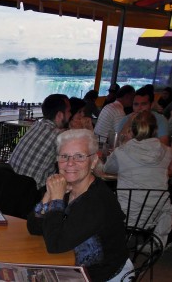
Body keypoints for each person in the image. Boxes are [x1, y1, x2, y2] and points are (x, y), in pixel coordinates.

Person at [27, 129, 133, 281]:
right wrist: (47, 197)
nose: (70, 163)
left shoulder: (97, 200)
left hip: (102, 275)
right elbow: (34, 228)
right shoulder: (66, 188)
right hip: (74, 264)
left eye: (79, 156)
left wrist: (56, 200)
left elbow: (55, 245)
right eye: (64, 156)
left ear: (93, 161)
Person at [105, 110, 172, 246]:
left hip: (124, 215)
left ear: (132, 130)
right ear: (156, 130)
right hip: (153, 216)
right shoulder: (168, 152)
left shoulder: (121, 152)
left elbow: (107, 169)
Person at [8, 94, 71, 190]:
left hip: (8, 184)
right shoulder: (59, 136)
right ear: (59, 115)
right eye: (69, 111)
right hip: (31, 193)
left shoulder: (36, 125)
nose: (70, 114)